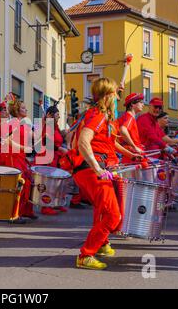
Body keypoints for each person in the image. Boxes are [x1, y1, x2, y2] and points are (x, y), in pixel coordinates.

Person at [73, 78, 140, 270]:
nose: (118, 97)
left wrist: (131, 154)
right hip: (92, 169)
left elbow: (110, 143)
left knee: (103, 210)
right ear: (109, 96)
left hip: (95, 168)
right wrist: (98, 168)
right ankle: (86, 255)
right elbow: (83, 141)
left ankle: (101, 243)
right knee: (113, 215)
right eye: (116, 94)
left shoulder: (102, 116)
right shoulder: (98, 115)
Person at [2, 99, 38, 222]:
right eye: (23, 108)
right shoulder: (13, 122)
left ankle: (22, 211)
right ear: (17, 111)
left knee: (27, 184)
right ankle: (12, 215)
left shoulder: (21, 123)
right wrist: (23, 147)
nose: (26, 110)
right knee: (18, 186)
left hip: (21, 158)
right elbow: (6, 140)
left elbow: (37, 135)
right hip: (13, 158)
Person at [35, 105, 69, 216]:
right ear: (51, 115)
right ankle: (46, 206)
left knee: (55, 183)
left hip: (56, 157)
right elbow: (46, 141)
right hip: (48, 156)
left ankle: (55, 203)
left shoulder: (55, 126)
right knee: (48, 183)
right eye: (57, 114)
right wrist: (60, 148)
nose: (59, 116)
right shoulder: (48, 125)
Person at [118, 93, 145, 163]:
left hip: (130, 154)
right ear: (132, 104)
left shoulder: (126, 117)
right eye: (141, 102)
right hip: (132, 155)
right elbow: (122, 130)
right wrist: (134, 146)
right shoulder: (129, 117)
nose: (143, 105)